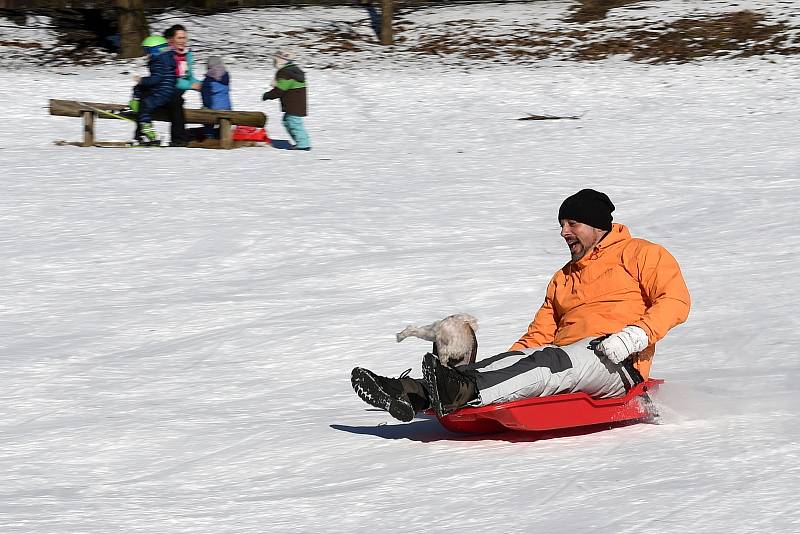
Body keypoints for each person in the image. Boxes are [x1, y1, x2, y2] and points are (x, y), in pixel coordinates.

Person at [351, 189, 691, 422]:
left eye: (572, 223)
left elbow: (675, 300)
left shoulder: (642, 254)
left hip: (618, 362)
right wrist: (509, 361)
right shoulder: (563, 277)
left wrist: (634, 337)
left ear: (597, 226)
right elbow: (538, 335)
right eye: (561, 224)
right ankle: (410, 392)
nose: (563, 232)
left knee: (549, 361)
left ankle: (461, 391)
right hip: (569, 358)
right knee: (529, 358)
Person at [131, 35, 177, 145]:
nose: (146, 54)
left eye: (147, 51)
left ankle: (147, 132)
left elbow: (156, 79)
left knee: (145, 105)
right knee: (139, 90)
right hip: (166, 90)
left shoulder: (158, 61)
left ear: (155, 50)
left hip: (162, 92)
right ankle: (135, 103)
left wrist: (141, 80)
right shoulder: (167, 58)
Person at [261, 49, 311, 151]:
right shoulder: (293, 70)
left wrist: (268, 95)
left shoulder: (285, 73)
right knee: (287, 121)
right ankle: (301, 142)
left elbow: (280, 90)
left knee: (294, 122)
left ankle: (303, 145)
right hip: (295, 102)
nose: (273, 63)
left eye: (275, 60)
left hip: (294, 103)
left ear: (281, 61)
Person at [163, 24, 201, 147]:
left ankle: (213, 131)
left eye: (184, 38)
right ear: (171, 40)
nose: (183, 41)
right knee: (176, 100)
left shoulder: (187, 55)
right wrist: (191, 85)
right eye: (179, 38)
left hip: (178, 90)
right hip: (165, 89)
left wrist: (203, 85)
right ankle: (178, 138)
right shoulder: (166, 55)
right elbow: (171, 79)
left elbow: (189, 76)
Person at [200, 56, 232, 139]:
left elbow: (206, 98)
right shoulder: (226, 77)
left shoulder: (208, 81)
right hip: (227, 108)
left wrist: (206, 107)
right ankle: (222, 133)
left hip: (214, 109)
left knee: (205, 115)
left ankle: (209, 135)